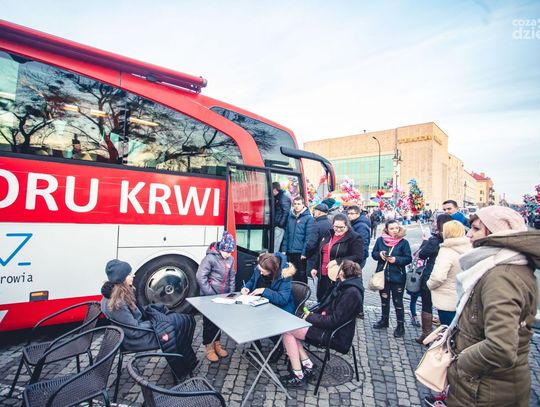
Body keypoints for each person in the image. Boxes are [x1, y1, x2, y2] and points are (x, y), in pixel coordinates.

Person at [445, 206, 539, 407]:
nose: (469, 234)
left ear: (497, 233)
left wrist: (460, 362)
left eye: (476, 229)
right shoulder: (500, 266)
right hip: (485, 385)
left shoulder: (501, 276)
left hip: (483, 389)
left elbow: (500, 347)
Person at [100, 259, 197, 377]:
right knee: (178, 325)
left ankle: (183, 360)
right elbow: (134, 330)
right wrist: (157, 323)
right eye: (129, 274)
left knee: (182, 320)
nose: (133, 275)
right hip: (135, 339)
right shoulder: (118, 304)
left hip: (136, 331)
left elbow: (135, 318)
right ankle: (183, 364)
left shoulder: (115, 295)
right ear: (121, 279)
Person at [281, 260, 364, 388]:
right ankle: (307, 365)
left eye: (338, 267)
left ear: (341, 272)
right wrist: (315, 315)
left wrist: (311, 317)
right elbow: (331, 312)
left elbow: (334, 321)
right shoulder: (345, 286)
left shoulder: (351, 292)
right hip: (326, 327)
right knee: (289, 330)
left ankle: (298, 376)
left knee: (287, 331)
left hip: (335, 335)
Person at [242, 252, 296, 363]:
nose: (260, 273)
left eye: (263, 271)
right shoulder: (261, 267)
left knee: (265, 321)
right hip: (261, 302)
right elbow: (252, 281)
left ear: (272, 271)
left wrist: (264, 290)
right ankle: (256, 344)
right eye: (259, 270)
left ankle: (279, 346)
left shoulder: (285, 275)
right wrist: (246, 288)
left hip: (280, 308)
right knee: (247, 316)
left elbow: (282, 299)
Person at [411, 213, 453, 343]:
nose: (433, 224)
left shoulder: (435, 240)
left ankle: (427, 334)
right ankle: (445, 335)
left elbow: (422, 254)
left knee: (427, 304)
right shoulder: (455, 240)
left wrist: (425, 241)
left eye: (435, 222)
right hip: (449, 278)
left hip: (431, 275)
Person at [196, 231, 236, 362]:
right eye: (227, 251)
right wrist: (211, 294)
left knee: (219, 321)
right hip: (209, 296)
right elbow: (200, 277)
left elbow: (232, 277)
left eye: (231, 252)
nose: (229, 254)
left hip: (223, 297)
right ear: (221, 248)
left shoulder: (230, 259)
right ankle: (209, 346)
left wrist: (231, 294)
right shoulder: (210, 258)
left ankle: (217, 344)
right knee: (209, 323)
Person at [372, 220, 412, 337]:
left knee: (398, 301)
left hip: (398, 277)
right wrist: (379, 255)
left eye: (396, 228)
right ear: (386, 229)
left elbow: (408, 258)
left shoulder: (403, 242)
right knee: (384, 300)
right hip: (383, 276)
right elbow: (373, 254)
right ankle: (384, 320)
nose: (394, 230)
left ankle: (400, 326)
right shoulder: (380, 240)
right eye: (391, 228)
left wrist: (396, 260)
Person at [309, 213, 363, 301]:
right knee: (321, 299)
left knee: (334, 301)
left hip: (339, 275)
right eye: (335, 227)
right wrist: (315, 267)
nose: (338, 229)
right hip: (323, 273)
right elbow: (321, 252)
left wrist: (337, 261)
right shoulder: (328, 233)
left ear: (347, 225)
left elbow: (358, 257)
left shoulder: (354, 237)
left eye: (341, 227)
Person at [426, 221, 471, 325]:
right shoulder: (470, 247)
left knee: (448, 329)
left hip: (447, 299)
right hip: (465, 297)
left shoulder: (446, 251)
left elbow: (438, 277)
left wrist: (429, 285)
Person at [283, 195, 314, 283]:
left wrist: (304, 253)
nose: (296, 206)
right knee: (289, 273)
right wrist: (284, 250)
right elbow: (286, 235)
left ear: (303, 205)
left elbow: (308, 237)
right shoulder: (290, 217)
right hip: (289, 251)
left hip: (300, 252)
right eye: (295, 204)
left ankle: (302, 290)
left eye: (299, 204)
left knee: (301, 274)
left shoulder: (308, 218)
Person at [305, 203, 332, 273]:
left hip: (315, 257)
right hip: (326, 256)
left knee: (313, 276)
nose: (314, 212)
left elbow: (311, 244)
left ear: (319, 212)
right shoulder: (330, 223)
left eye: (315, 210)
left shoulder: (316, 225)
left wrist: (307, 255)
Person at [272, 182, 291, 252]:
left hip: (278, 226)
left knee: (275, 246)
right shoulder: (277, 197)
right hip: (275, 225)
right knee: (273, 245)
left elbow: (286, 212)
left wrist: (280, 224)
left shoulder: (283, 198)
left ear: (274, 189)